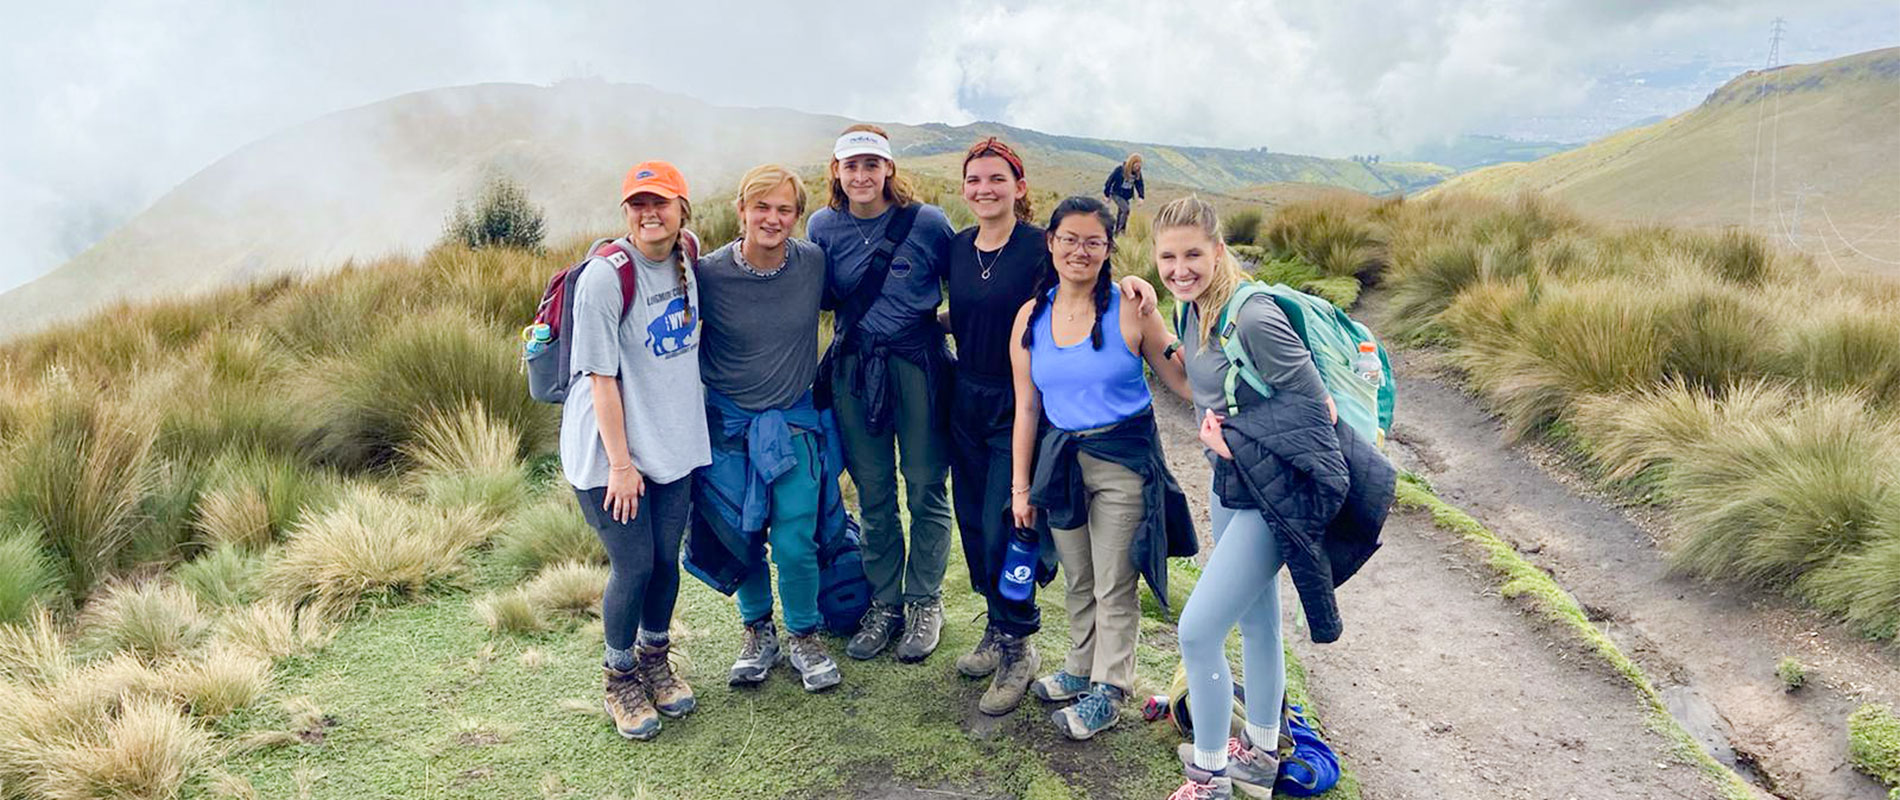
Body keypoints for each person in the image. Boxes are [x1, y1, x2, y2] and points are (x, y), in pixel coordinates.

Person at [1155, 195, 1383, 800]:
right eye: (1168, 257)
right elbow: (1200, 384)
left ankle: (1208, 779)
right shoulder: (1188, 309)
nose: (1181, 268)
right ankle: (1258, 755)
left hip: (1271, 490)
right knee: (1258, 622)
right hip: (1230, 483)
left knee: (1197, 632)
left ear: (1219, 251)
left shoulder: (1253, 315)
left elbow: (1317, 410)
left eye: (1194, 255)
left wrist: (1232, 438)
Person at [946, 138, 1162, 715]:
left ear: (1020, 187)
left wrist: (1137, 285)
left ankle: (1026, 648)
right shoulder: (958, 248)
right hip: (971, 401)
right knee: (979, 527)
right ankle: (1004, 631)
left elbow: (1089, 271)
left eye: (997, 179)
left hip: (1033, 412)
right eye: (975, 180)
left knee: (1009, 531)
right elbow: (965, 310)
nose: (984, 189)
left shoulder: (1040, 247)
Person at [1008, 196, 1195, 741]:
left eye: (1094, 241)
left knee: (1115, 581)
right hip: (1061, 462)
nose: (1080, 251)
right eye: (1069, 239)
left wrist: (1234, 396)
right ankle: (1081, 666)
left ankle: (1111, 689)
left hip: (1123, 460)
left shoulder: (1131, 306)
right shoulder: (1031, 316)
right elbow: (1026, 408)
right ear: (1051, 242)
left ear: (1109, 248)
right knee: (1078, 576)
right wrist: (1022, 489)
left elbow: (1182, 378)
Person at [559, 161, 711, 741]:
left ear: (681, 210)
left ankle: (655, 660)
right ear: (626, 212)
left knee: (666, 559)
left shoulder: (687, 256)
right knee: (635, 563)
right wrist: (620, 467)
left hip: (670, 437)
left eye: (662, 203)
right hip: (609, 450)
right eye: (638, 204)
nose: (650, 213)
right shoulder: (605, 278)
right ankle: (620, 676)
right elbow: (601, 380)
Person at [688, 164, 845, 693]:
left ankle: (803, 634)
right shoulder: (707, 274)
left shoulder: (813, 263)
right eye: (762, 207)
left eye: (784, 210)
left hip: (794, 425)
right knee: (742, 536)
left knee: (796, 540)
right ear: (741, 210)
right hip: (728, 430)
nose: (772, 219)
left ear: (798, 216)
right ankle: (758, 633)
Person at [808, 124, 958, 664]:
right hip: (853, 370)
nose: (862, 176)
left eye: (872, 165)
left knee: (924, 486)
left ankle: (924, 600)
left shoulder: (928, 223)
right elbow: (817, 297)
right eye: (851, 167)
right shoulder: (822, 226)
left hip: (917, 367)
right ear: (837, 173)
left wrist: (934, 326)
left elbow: (967, 281)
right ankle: (886, 603)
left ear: (889, 169)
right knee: (873, 493)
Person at [1102, 154, 1145, 234]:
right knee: (1125, 209)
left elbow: (1139, 184)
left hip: (1126, 196)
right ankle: (1121, 231)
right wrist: (1106, 194)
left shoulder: (1137, 173)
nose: (1137, 168)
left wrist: (1141, 196)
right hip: (1116, 193)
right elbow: (1110, 181)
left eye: (1139, 167)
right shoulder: (1120, 170)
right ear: (1132, 163)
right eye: (1136, 166)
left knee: (1121, 212)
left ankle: (1116, 233)